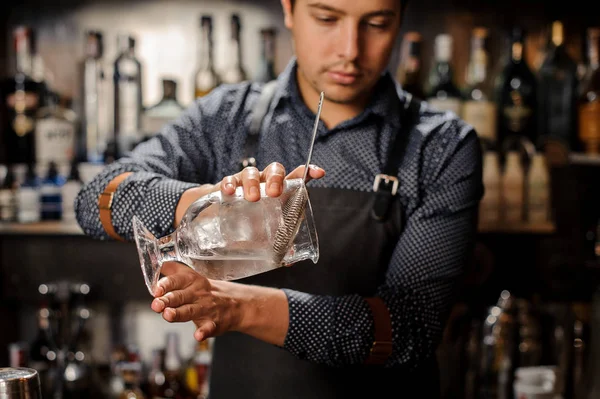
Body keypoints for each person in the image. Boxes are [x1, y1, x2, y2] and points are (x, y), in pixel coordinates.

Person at [74, 0, 484, 397]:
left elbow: (409, 330)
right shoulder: (226, 118)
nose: (350, 49)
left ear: (400, 18)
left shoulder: (442, 147)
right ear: (288, 8)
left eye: (376, 23)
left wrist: (237, 308)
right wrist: (200, 202)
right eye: (327, 18)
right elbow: (96, 200)